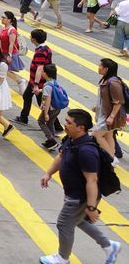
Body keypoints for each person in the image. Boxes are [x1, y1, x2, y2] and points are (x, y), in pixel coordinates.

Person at [38, 109, 122, 264]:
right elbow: (61, 156)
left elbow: (92, 180)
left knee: (64, 223)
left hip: (80, 197)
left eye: (69, 122)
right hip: (73, 193)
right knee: (77, 220)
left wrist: (91, 208)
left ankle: (63, 258)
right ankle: (109, 246)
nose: (65, 124)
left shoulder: (86, 151)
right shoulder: (70, 139)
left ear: (81, 128)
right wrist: (49, 173)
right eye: (66, 121)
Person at [14, 28, 52, 126]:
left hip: (39, 82)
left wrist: (36, 85)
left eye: (31, 37)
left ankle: (55, 125)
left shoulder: (40, 51)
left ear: (34, 39)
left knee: (42, 103)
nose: (30, 38)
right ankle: (23, 117)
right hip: (35, 81)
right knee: (27, 96)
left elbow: (40, 68)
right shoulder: (46, 48)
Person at [93, 58, 126, 161]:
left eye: (100, 66)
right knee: (108, 135)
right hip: (105, 113)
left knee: (96, 134)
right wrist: (97, 107)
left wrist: (111, 116)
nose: (98, 67)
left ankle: (111, 158)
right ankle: (112, 158)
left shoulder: (113, 83)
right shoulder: (105, 79)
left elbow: (118, 101)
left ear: (106, 69)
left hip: (109, 116)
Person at [0, 11, 27, 94]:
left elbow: (11, 43)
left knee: (5, 70)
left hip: (9, 53)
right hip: (3, 53)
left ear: (10, 20)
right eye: (2, 17)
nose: (2, 19)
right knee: (2, 70)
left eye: (4, 18)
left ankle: (20, 81)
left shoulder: (12, 30)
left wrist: (9, 55)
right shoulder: (3, 28)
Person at [39, 64, 66, 151]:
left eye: (43, 71)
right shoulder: (54, 82)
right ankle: (51, 142)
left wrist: (46, 113)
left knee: (41, 121)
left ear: (46, 74)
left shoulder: (47, 86)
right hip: (57, 108)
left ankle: (51, 140)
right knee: (50, 123)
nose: (42, 73)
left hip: (50, 109)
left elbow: (48, 99)